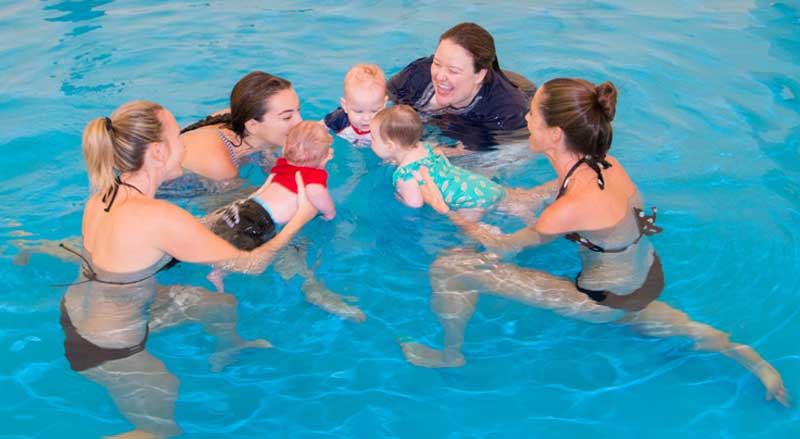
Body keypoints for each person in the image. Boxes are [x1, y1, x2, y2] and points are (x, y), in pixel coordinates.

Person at [401, 78, 790, 407]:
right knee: (655, 318)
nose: (525, 118)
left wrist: (445, 210)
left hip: (601, 301)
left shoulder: (567, 210)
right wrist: (528, 197)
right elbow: (565, 189)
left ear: (554, 134)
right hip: (642, 280)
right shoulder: (605, 162)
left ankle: (451, 354)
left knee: (451, 265)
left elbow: (505, 247)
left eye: (532, 114)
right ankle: (751, 359)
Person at [65, 100, 317, 438]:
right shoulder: (161, 218)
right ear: (157, 152)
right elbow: (252, 265)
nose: (185, 144)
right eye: (176, 137)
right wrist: (300, 216)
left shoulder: (103, 197)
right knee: (162, 432)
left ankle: (230, 347)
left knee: (216, 304)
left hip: (78, 319)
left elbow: (143, 249)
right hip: (112, 351)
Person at [203, 121, 364, 322]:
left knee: (229, 240)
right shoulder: (314, 178)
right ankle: (219, 273)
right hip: (261, 222)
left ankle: (218, 271)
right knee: (243, 253)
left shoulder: (281, 166)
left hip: (242, 210)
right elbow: (320, 198)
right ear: (324, 158)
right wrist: (329, 214)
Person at [369, 105, 535, 223]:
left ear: (390, 146)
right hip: (481, 185)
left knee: (470, 228)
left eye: (373, 139)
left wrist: (401, 199)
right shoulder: (424, 148)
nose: (371, 142)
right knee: (501, 202)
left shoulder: (405, 175)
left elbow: (415, 204)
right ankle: (524, 213)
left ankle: (490, 231)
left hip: (470, 204)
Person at [387, 22, 534, 150]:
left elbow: (500, 159)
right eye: (437, 63)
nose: (439, 76)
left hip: (522, 95)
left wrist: (437, 151)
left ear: (480, 75)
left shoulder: (507, 112)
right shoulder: (417, 75)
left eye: (453, 71)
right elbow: (377, 104)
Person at [176, 71, 302, 181]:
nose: (300, 122)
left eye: (298, 110)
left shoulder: (245, 118)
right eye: (287, 117)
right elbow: (235, 206)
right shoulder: (218, 163)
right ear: (253, 125)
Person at [323, 63, 388, 148]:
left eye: (374, 111)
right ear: (345, 106)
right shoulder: (339, 118)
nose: (366, 118)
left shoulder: (388, 126)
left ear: (384, 104)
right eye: (359, 111)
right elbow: (318, 128)